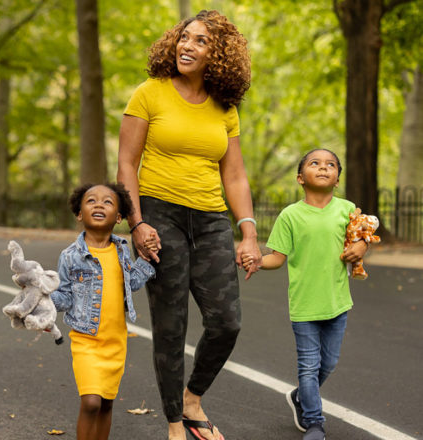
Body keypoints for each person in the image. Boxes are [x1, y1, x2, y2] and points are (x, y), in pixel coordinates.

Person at [116, 9, 261, 440]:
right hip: (160, 215)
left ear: (218, 55)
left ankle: (193, 396)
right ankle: (175, 422)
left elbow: (234, 175)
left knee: (226, 322)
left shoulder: (225, 106)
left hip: (212, 219)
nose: (187, 45)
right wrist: (136, 223)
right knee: (171, 323)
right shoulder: (150, 93)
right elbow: (127, 162)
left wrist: (248, 232)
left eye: (200, 41)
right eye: (185, 37)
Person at [241, 149, 370, 440]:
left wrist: (362, 247)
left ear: (337, 179)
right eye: (315, 163)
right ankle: (314, 422)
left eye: (331, 165)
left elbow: (361, 239)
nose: (324, 168)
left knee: (329, 363)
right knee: (309, 365)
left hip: (338, 303)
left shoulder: (348, 209)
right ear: (301, 178)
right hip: (304, 306)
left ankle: (301, 396)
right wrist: (260, 261)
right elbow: (278, 257)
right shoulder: (290, 215)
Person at [50, 183, 156, 440]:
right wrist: (43, 300)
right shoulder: (70, 256)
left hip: (115, 342)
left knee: (107, 402)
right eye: (91, 201)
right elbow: (64, 296)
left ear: (119, 217)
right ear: (79, 213)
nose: (99, 204)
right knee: (91, 403)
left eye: (108, 202)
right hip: (86, 341)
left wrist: (148, 258)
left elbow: (131, 283)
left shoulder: (120, 250)